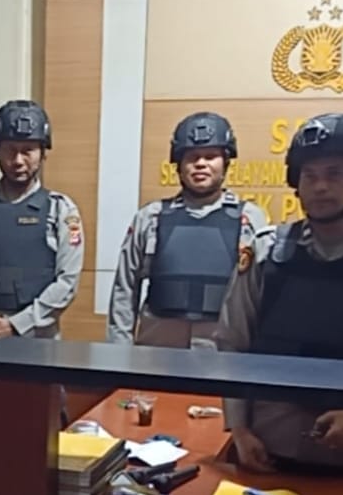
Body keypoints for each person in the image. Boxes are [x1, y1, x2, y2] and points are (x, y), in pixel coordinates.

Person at [214, 113, 343, 478]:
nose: (321, 186)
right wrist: (238, 429)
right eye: (310, 175)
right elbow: (232, 345)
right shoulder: (266, 250)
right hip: (263, 445)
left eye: (334, 174)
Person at [107, 112, 268, 349]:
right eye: (192, 157)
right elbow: (125, 288)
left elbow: (261, 294)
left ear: (226, 163)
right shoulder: (150, 217)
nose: (201, 163)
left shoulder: (250, 219)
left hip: (222, 353)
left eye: (210, 156)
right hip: (156, 350)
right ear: (179, 165)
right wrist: (119, 352)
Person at [0, 99, 84, 352]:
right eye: (10, 150)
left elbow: (68, 280)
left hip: (39, 334)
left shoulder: (61, 209)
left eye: (27, 150)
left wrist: (18, 324)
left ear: (42, 153)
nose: (18, 160)